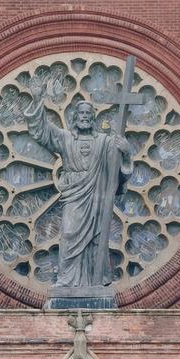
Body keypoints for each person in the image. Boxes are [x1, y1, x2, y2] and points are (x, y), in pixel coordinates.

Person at [25, 78, 133, 290]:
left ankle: (95, 281)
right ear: (75, 118)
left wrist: (127, 153)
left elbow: (117, 171)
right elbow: (41, 132)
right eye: (81, 114)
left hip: (97, 197)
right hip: (74, 196)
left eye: (88, 114)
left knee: (96, 239)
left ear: (93, 119)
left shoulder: (104, 141)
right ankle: (67, 281)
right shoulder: (65, 138)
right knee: (69, 233)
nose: (84, 117)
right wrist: (37, 98)